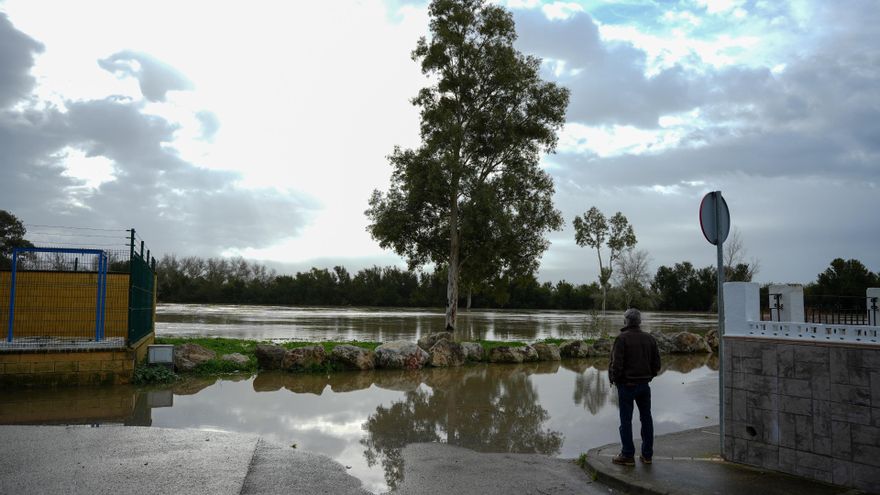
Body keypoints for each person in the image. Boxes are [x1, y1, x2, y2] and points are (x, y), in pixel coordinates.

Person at [608, 308, 661, 466]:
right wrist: (648, 377)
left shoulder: (621, 339)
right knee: (646, 419)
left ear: (626, 321)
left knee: (626, 421)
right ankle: (647, 456)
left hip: (627, 386)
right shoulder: (650, 339)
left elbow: (616, 365)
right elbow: (657, 365)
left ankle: (627, 455)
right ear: (639, 322)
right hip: (644, 386)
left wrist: (614, 380)